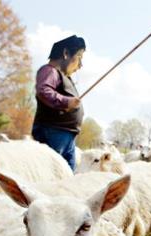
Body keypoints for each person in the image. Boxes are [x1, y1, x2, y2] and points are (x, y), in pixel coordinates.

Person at [32, 35, 86, 171]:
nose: (80, 65)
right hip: (53, 133)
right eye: (79, 58)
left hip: (66, 137)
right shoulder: (50, 71)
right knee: (52, 173)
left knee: (67, 175)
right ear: (66, 53)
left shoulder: (64, 76)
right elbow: (43, 91)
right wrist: (66, 102)